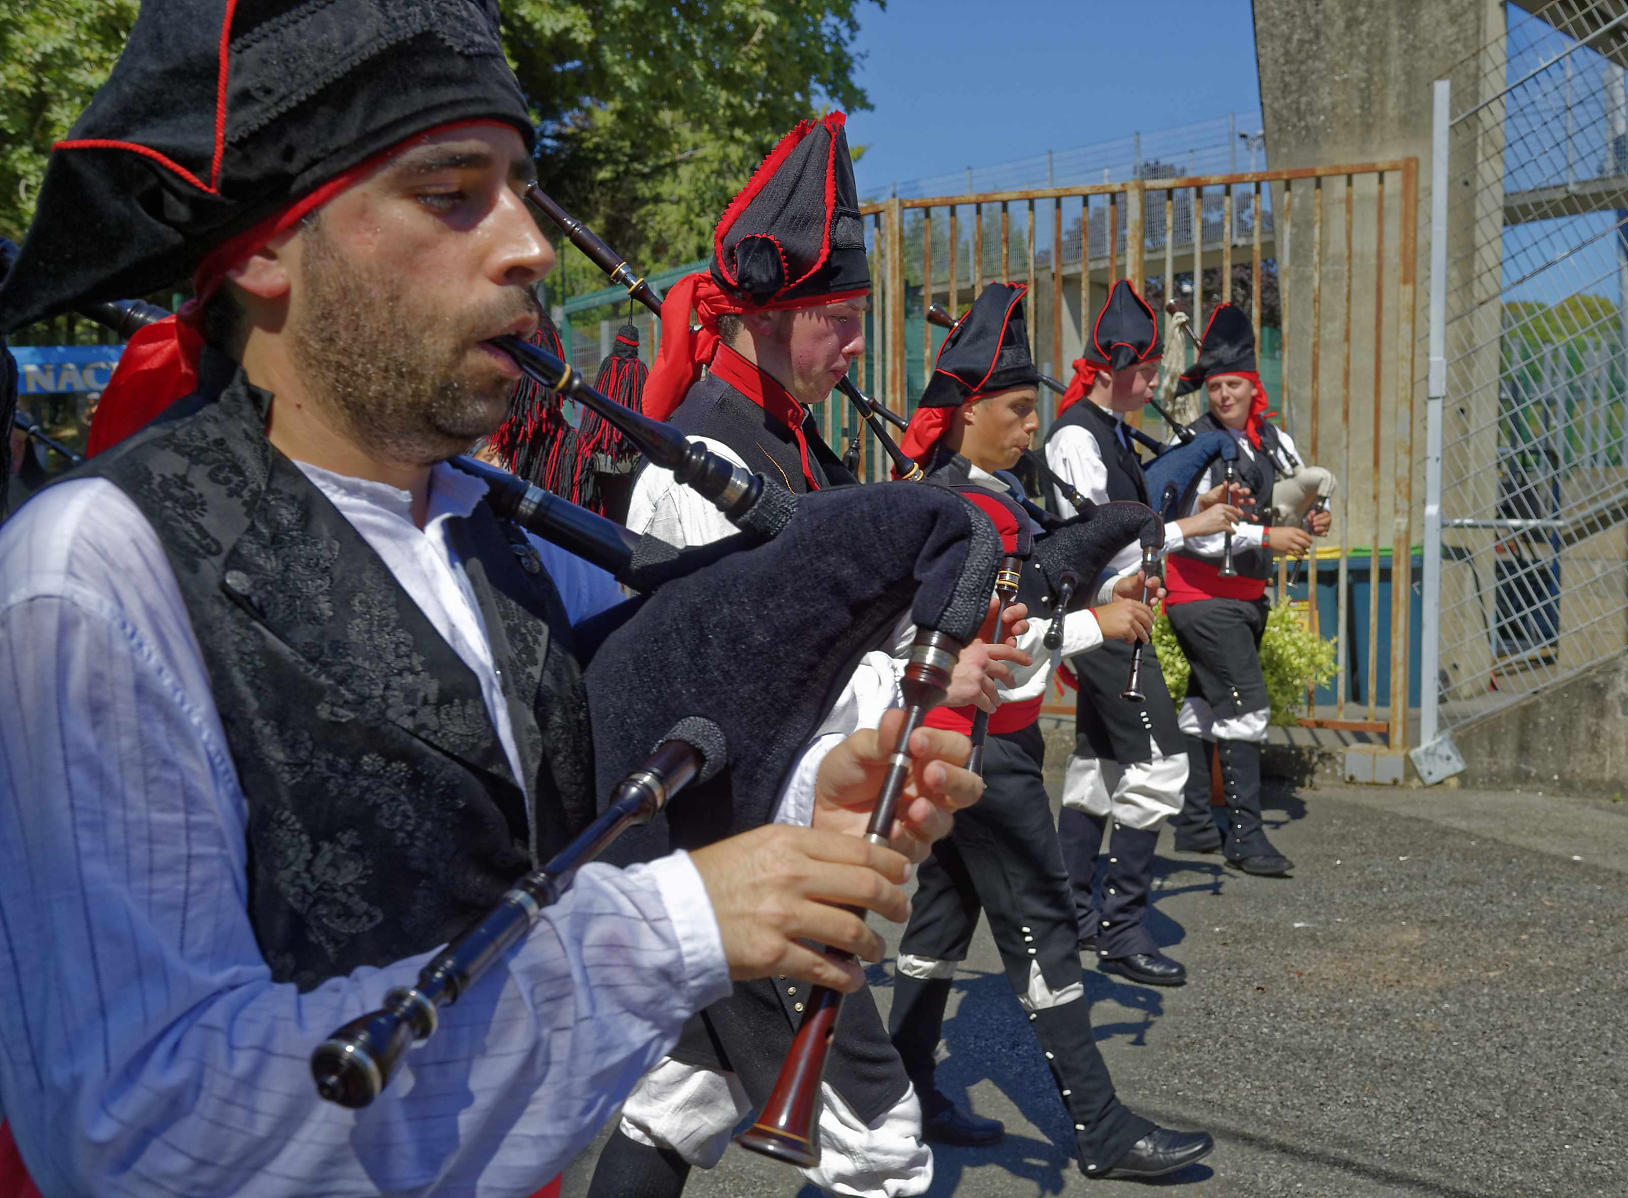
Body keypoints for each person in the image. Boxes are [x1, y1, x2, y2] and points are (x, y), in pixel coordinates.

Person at [0, 3, 981, 1194]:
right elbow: (143, 1130)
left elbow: (571, 828)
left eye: (518, 186)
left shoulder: (498, 536)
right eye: (451, 191)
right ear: (266, 248)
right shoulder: (95, 571)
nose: (527, 245)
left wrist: (795, 820)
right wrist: (679, 926)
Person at [595, 112, 1027, 1198]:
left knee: (682, 1095)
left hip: (798, 819)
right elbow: (717, 675)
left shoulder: (797, 441)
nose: (853, 344)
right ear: (759, 314)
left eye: (853, 316)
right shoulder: (696, 459)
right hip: (736, 834)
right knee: (880, 1147)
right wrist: (918, 677)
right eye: (832, 317)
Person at [885, 281, 1219, 1181]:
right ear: (965, 415)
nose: (1032, 427)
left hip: (973, 747)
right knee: (1042, 926)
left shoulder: (984, 497)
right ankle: (1102, 1131)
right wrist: (1095, 626)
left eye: (1034, 410)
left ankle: (902, 1093)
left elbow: (1031, 597)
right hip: (985, 747)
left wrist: (1101, 595)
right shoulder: (967, 511)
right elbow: (1000, 646)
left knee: (939, 927)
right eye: (1016, 411)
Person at [1043, 280, 1239, 985]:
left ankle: (1075, 915)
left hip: (1115, 618)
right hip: (1098, 618)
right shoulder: (1073, 437)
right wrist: (1192, 527)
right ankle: (1122, 931)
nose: (1155, 381)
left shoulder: (1109, 433)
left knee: (1099, 764)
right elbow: (1098, 543)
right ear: (1112, 366)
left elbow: (1129, 524)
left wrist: (1201, 509)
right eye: (1147, 368)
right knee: (1160, 767)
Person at [1161, 304, 1331, 876]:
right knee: (1245, 705)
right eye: (1215, 386)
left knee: (1206, 704)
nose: (1224, 395)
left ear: (1253, 387)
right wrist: (1269, 533)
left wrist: (1309, 521)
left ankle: (1193, 824)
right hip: (1201, 595)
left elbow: (1291, 500)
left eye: (1234, 384)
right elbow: (1199, 531)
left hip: (1240, 595)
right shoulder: (1197, 444)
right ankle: (1245, 837)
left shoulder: (1273, 441)